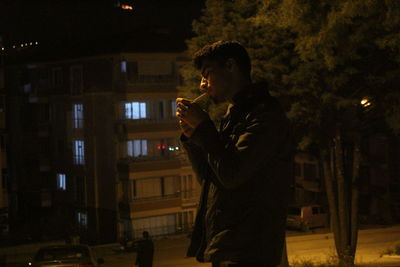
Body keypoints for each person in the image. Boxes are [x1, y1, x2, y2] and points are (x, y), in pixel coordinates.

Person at [176, 41, 293, 267]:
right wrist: (193, 137)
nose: (202, 85)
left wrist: (204, 129)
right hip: (229, 245)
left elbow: (233, 174)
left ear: (230, 66)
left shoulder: (265, 113)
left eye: (207, 74)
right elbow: (211, 178)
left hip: (251, 247)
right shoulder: (236, 114)